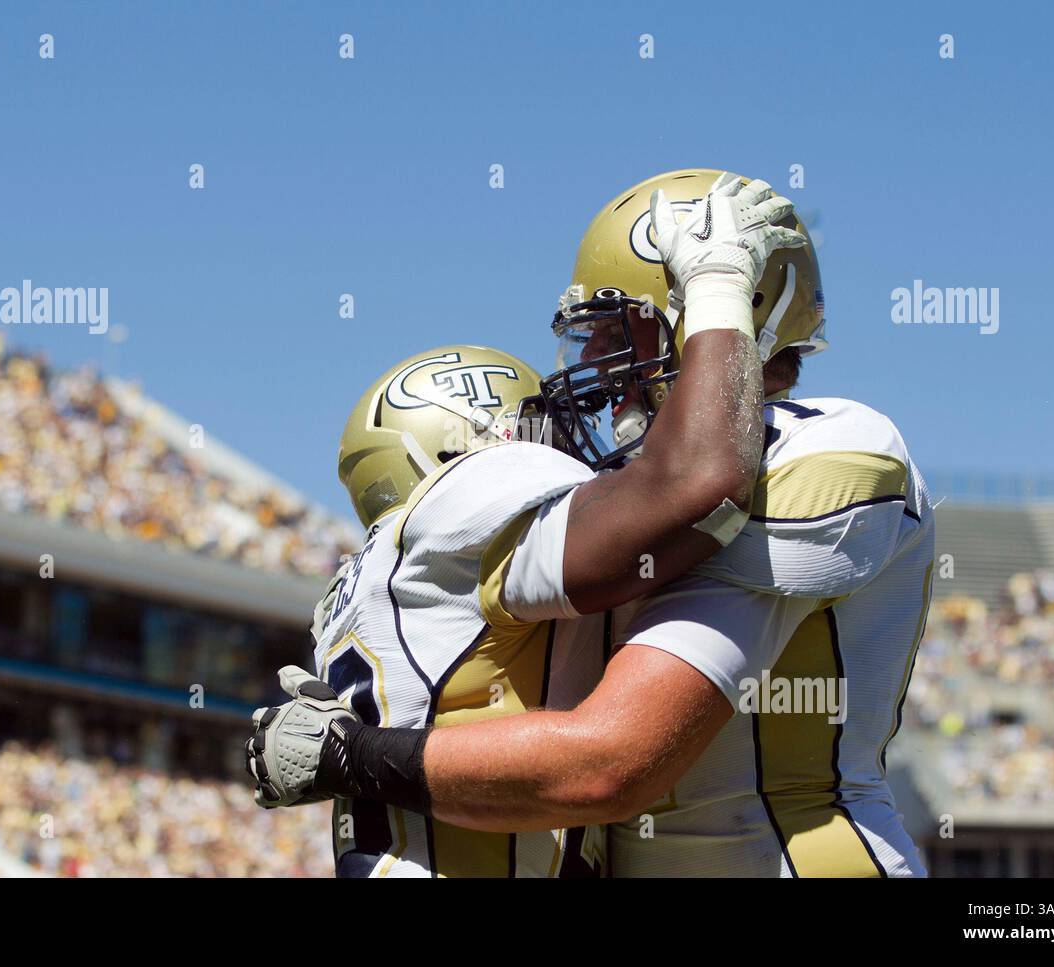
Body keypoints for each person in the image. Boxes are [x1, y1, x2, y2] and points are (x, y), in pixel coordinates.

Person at [247, 172, 805, 877]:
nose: (573, 433)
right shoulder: (471, 493)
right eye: (539, 421)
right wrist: (721, 285)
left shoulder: (372, 574)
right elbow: (700, 487)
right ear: (462, 442)